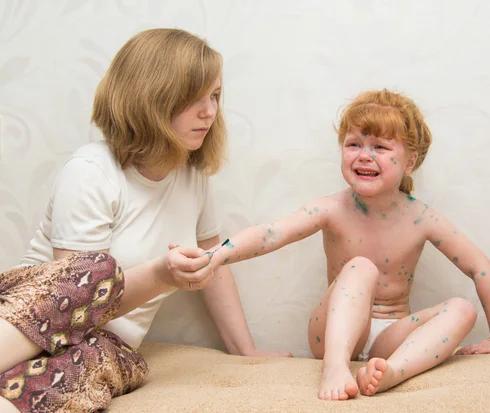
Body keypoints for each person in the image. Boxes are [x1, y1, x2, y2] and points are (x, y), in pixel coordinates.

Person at [0, 28, 290, 413]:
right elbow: (77, 301)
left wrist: (245, 350)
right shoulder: (91, 170)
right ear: (150, 98)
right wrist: (160, 275)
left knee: (105, 358)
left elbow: (214, 262)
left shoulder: (192, 176)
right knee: (95, 271)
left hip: (101, 344)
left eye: (215, 96)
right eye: (193, 98)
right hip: (22, 322)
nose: (210, 111)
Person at [194, 89, 490, 401]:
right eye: (354, 144)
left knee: (462, 309)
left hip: (390, 335)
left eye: (381, 146)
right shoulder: (332, 209)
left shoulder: (422, 218)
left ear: (410, 161)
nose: (364, 155)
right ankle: (335, 367)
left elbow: (479, 266)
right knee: (361, 265)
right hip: (333, 332)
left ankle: (392, 372)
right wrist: (217, 253)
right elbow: (271, 233)